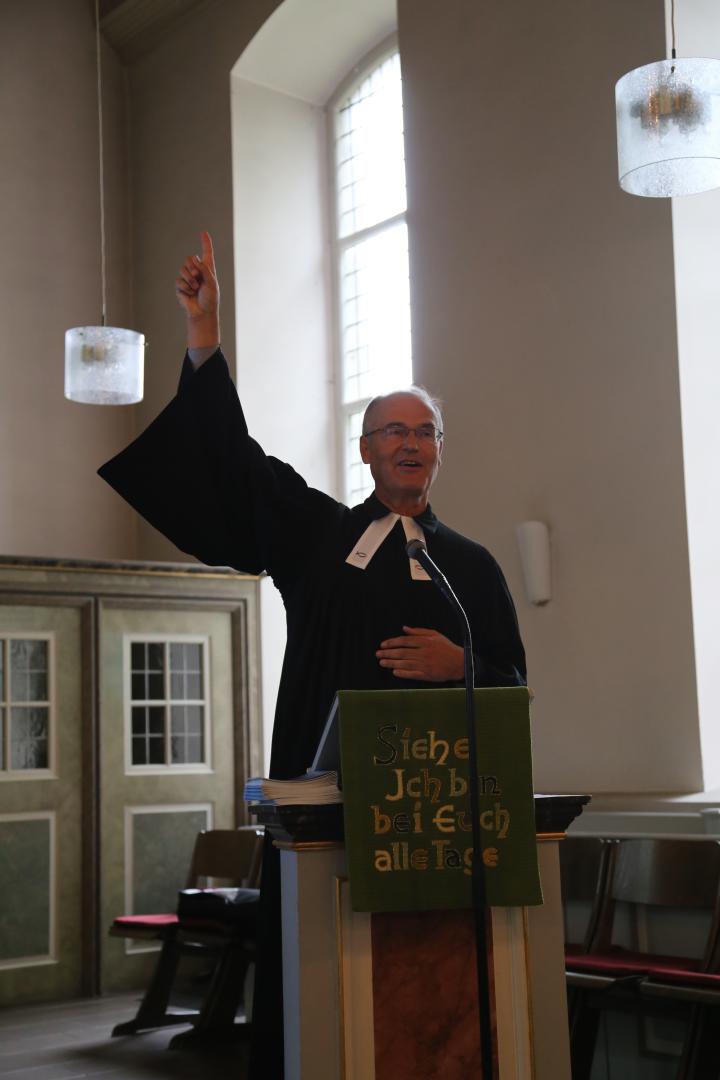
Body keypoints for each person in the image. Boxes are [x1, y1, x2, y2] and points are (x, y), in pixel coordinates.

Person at [98, 232, 526, 1078]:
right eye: (390, 431)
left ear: (441, 450)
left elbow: (515, 685)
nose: (409, 443)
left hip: (436, 824)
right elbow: (235, 466)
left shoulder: (471, 565)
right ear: (365, 451)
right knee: (323, 1006)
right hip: (324, 810)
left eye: (425, 431)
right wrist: (205, 337)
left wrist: (464, 668)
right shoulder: (319, 535)